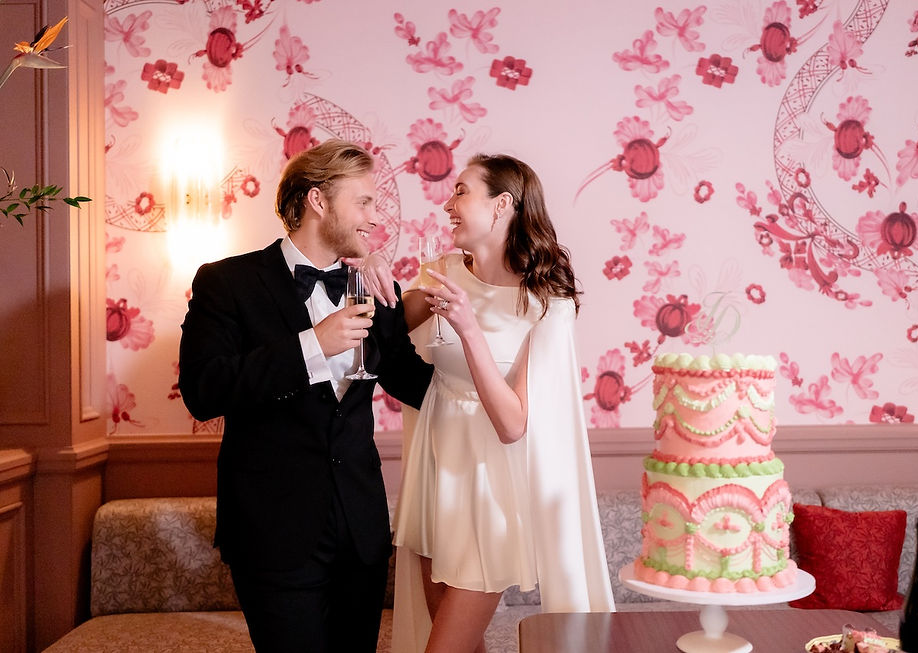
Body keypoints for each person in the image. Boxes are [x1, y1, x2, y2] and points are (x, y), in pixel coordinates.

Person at [178, 139, 433, 653]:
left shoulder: (373, 284)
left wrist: (483, 338)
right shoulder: (227, 282)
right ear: (318, 201)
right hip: (273, 535)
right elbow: (202, 391)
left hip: (359, 534)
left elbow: (414, 383)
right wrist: (311, 346)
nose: (375, 217)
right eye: (363, 202)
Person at [371, 153, 615, 653]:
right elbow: (382, 333)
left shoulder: (547, 304)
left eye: (461, 191)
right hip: (437, 476)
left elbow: (512, 423)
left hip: (493, 491)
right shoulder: (441, 273)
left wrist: (468, 329)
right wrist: (372, 270)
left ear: (502, 204)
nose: (448, 204)